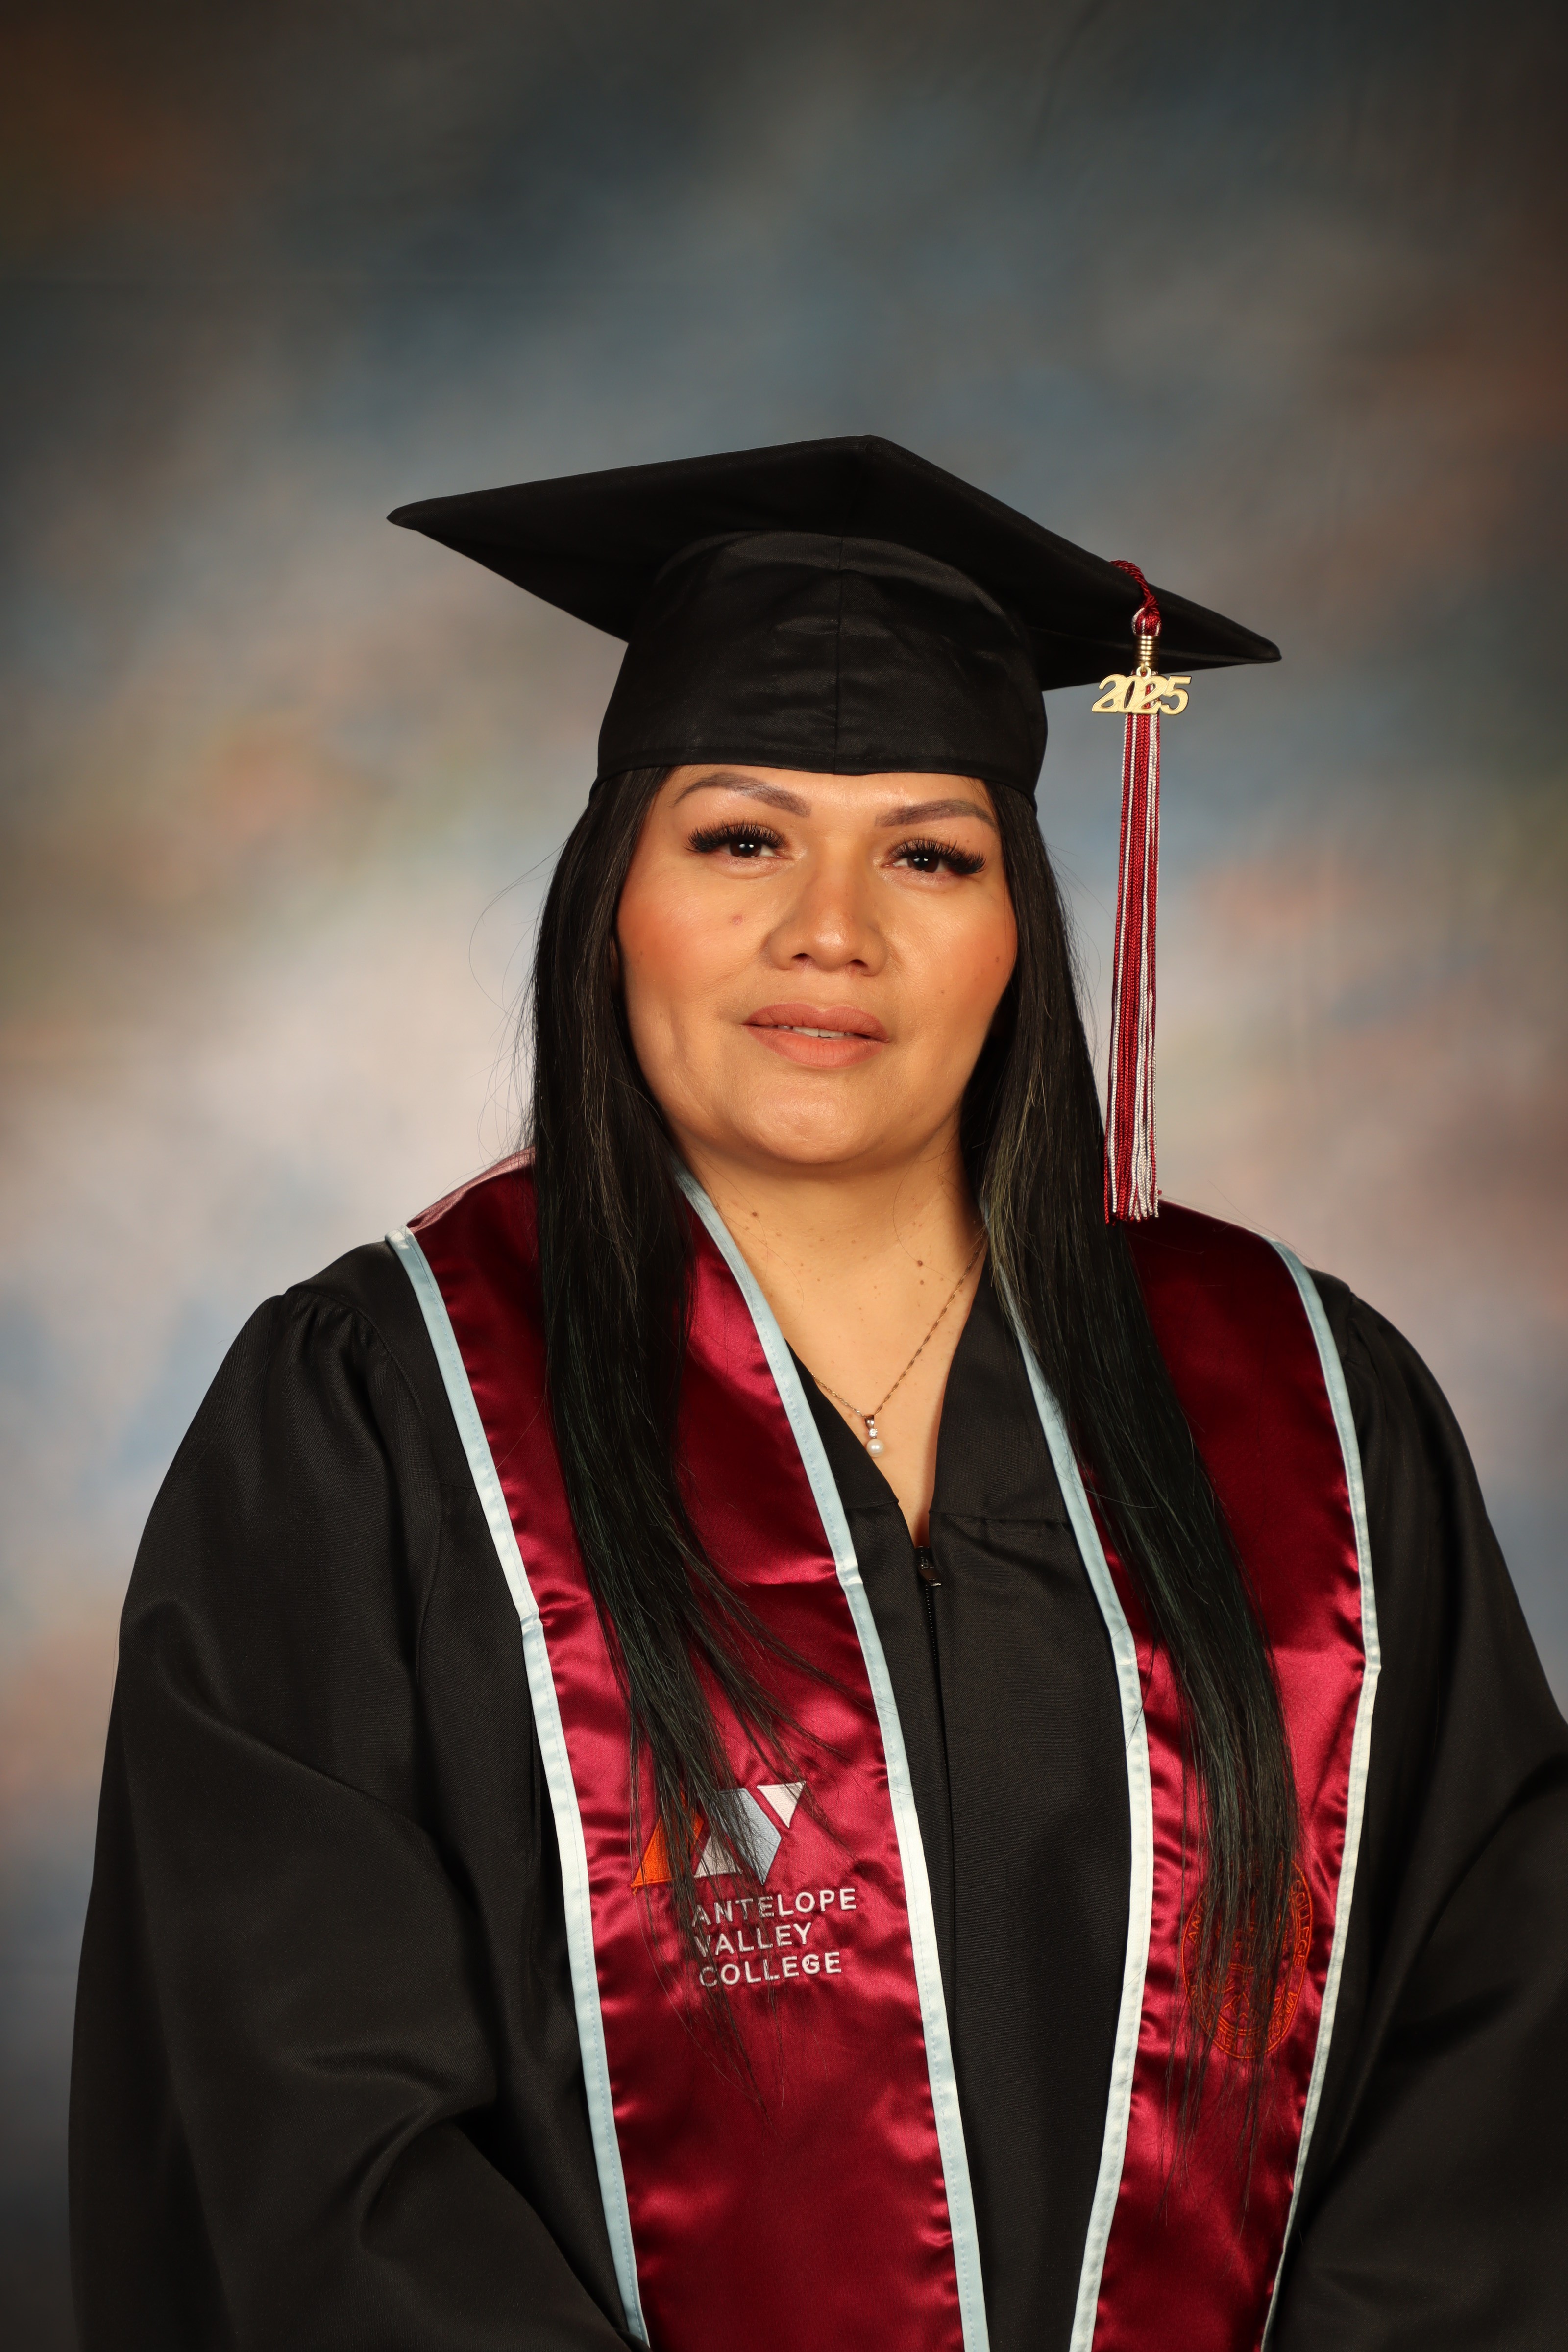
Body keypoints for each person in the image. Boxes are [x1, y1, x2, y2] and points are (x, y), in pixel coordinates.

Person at [70, 437, 1568, 2352]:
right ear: (613, 893)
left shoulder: (1312, 1405)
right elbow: (304, 2135)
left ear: (1017, 926)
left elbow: (1496, 2042)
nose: (831, 934)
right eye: (740, 840)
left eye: (927, 854)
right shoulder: (377, 1418)